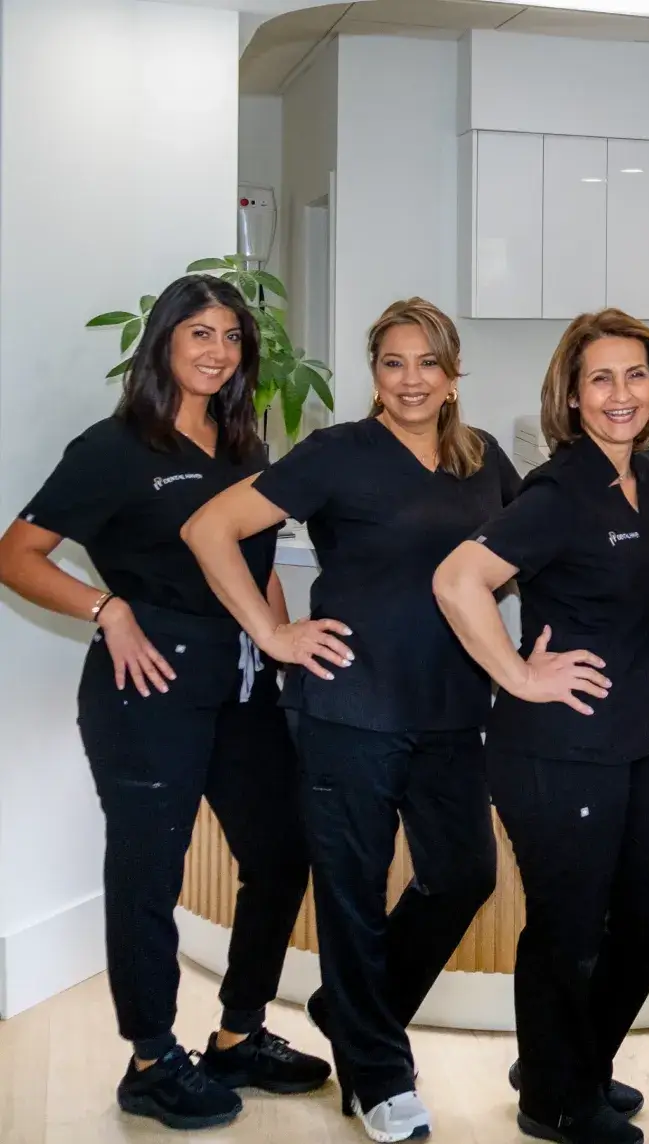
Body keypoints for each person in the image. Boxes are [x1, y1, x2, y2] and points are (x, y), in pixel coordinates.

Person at [0, 274, 330, 1130]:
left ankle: (237, 1034)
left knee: (283, 850)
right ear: (165, 342)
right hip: (148, 685)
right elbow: (17, 554)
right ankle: (150, 1057)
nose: (218, 351)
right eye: (200, 334)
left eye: (231, 337)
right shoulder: (114, 448)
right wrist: (107, 612)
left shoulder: (242, 447)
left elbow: (254, 573)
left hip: (245, 682)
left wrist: (283, 652)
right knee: (150, 872)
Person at [182, 298, 516, 1143]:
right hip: (349, 706)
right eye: (393, 362)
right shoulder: (338, 453)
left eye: (427, 363)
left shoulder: (483, 461)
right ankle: (379, 1076)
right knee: (354, 896)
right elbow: (210, 527)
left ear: (453, 373)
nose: (410, 380)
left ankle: (349, 1011)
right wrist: (272, 632)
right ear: (376, 371)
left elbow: (524, 553)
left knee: (464, 871)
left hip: (450, 707)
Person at [433, 308, 649, 1144]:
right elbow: (457, 580)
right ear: (573, 398)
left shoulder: (648, 481)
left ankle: (569, 1060)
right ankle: (554, 1099)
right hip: (557, 746)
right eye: (602, 379)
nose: (622, 394)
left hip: (635, 737)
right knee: (569, 928)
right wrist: (515, 673)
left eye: (637, 375)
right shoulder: (560, 489)